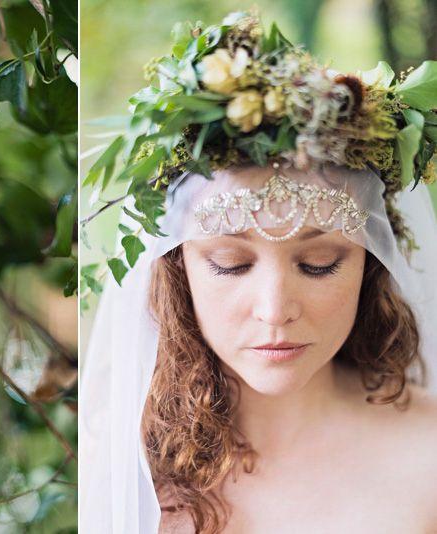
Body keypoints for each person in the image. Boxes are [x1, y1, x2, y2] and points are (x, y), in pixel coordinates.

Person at [79, 11, 437, 534]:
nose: (274, 310)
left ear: (370, 265)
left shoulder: (428, 454)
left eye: (319, 264)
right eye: (230, 264)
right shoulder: (119, 466)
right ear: (180, 271)